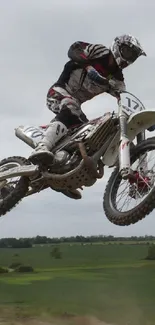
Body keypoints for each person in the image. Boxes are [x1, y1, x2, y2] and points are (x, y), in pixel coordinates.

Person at [29, 34, 146, 199]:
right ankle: (43, 147)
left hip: (75, 106)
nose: (128, 58)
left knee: (89, 136)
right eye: (127, 52)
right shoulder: (100, 52)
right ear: (118, 47)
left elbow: (124, 98)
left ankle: (64, 175)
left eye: (132, 56)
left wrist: (141, 116)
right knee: (70, 106)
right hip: (58, 93)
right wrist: (89, 66)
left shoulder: (117, 78)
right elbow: (74, 49)